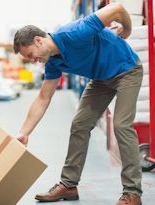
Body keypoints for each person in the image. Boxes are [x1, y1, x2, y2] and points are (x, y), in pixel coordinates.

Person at [13, 3, 143, 205]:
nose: (32, 61)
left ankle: (132, 193)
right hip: (101, 79)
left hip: (126, 70)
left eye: (30, 55)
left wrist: (126, 30)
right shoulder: (53, 62)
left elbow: (117, 8)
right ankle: (69, 185)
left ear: (38, 40)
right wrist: (24, 132)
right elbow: (43, 98)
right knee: (79, 124)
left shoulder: (75, 32)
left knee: (121, 125)